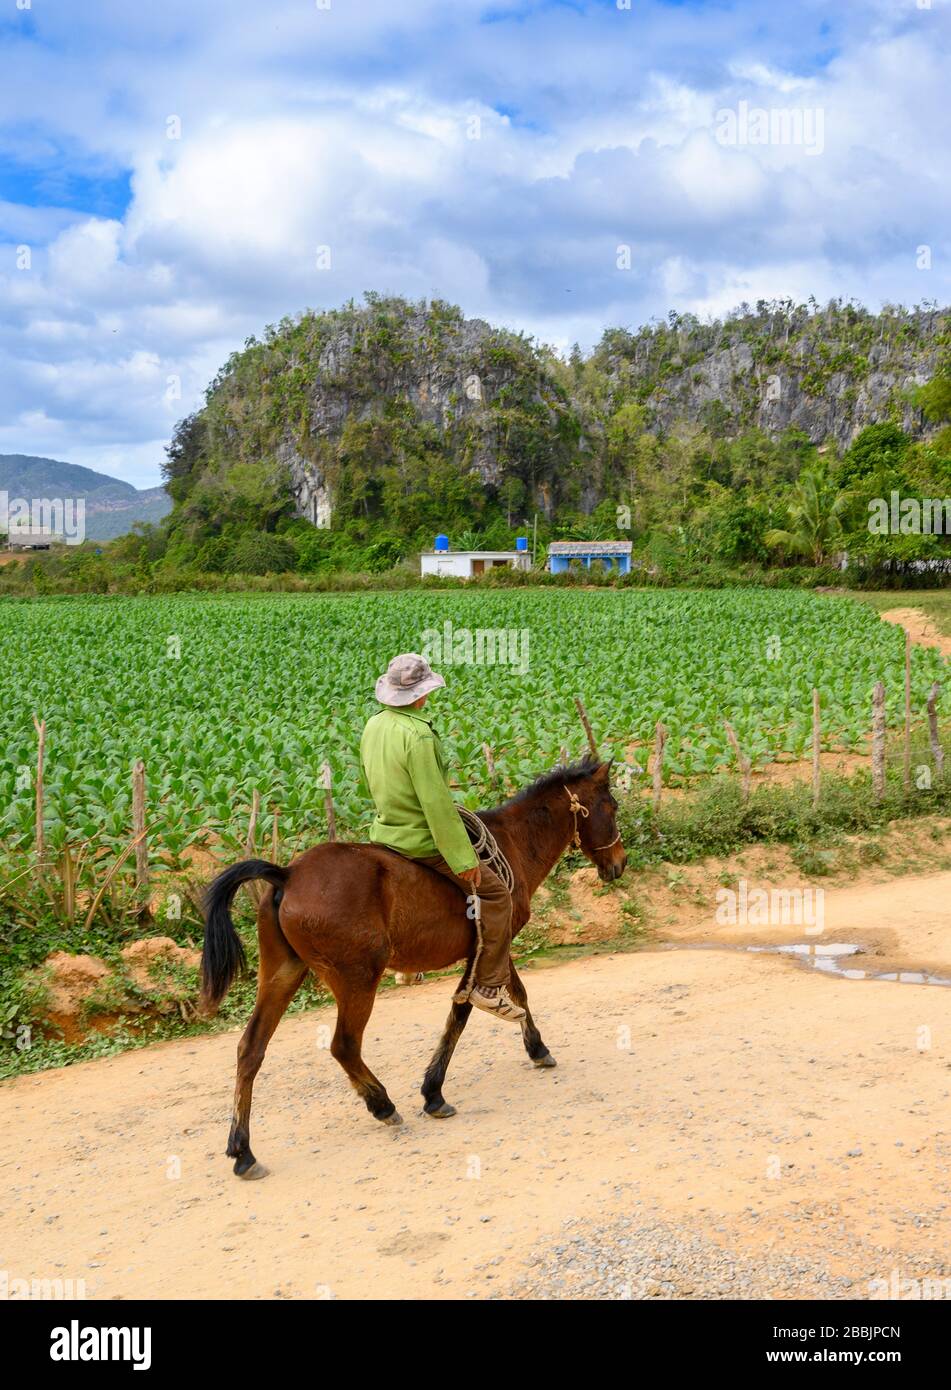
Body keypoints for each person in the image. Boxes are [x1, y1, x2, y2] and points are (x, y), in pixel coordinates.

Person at [360, 652, 525, 1022]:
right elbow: (435, 804)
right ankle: (489, 985)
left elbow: (368, 779)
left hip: (384, 831)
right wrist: (464, 859)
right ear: (421, 694)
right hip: (419, 839)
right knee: (497, 895)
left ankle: (408, 964)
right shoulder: (418, 735)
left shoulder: (374, 725)